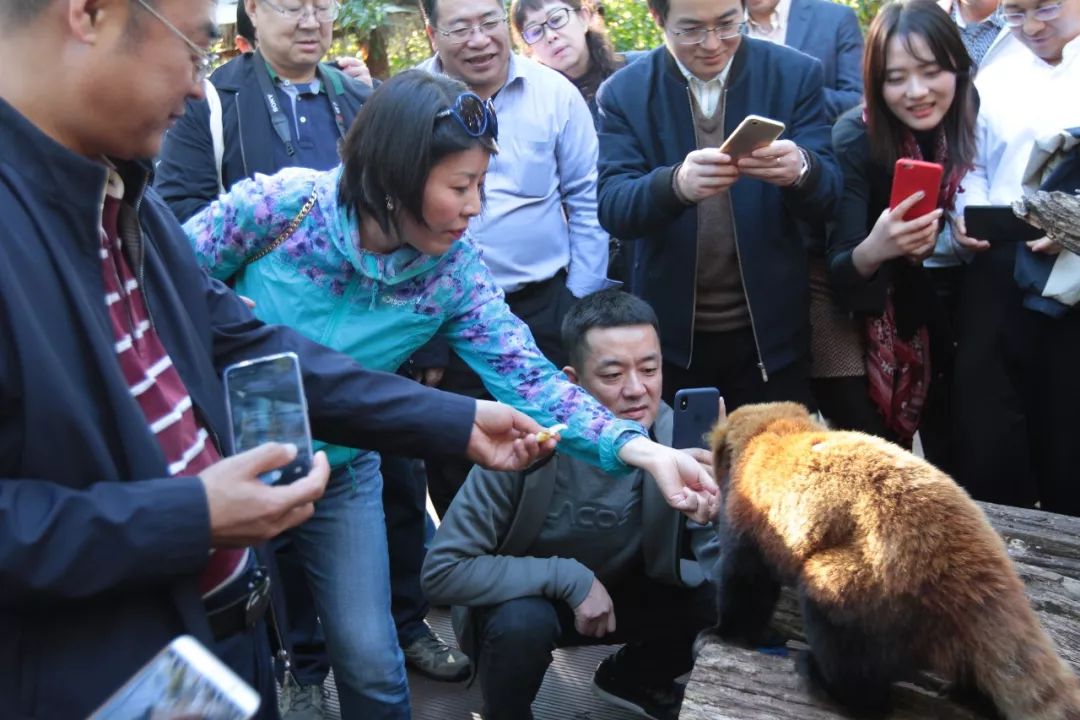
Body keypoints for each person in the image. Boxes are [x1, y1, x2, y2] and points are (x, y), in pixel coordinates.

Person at [0, 1, 562, 717]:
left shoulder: (123, 202)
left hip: (203, 655)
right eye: (196, 50)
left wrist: (454, 419)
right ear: (91, 15)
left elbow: (252, 344)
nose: (199, 90)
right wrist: (191, 515)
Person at [185, 69, 720, 719]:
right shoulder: (280, 209)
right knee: (211, 654)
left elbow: (531, 379)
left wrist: (645, 452)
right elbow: (159, 290)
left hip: (343, 470)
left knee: (373, 663)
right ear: (395, 174)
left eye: (481, 187)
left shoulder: (452, 272)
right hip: (208, 463)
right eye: (460, 187)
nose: (475, 207)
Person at [422, 289, 717, 720]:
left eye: (650, 370)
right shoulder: (526, 444)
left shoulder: (677, 440)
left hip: (627, 593)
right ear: (572, 383)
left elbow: (715, 563)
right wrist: (568, 578)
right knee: (520, 623)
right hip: (530, 603)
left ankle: (632, 679)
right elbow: (441, 572)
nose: (637, 391)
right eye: (613, 374)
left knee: (717, 598)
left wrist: (722, 506)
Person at [416, 0, 615, 515]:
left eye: (489, 23)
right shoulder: (407, 101)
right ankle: (473, 583)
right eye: (461, 27)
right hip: (443, 321)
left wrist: (577, 306)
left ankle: (559, 580)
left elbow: (587, 200)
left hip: (543, 308)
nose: (480, 39)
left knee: (554, 451)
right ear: (431, 31)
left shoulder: (553, 93)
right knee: (456, 458)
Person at [595, 0, 842, 414]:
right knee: (686, 467)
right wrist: (674, 185)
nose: (712, 43)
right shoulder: (626, 92)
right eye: (691, 29)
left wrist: (801, 169)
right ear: (659, 19)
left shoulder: (793, 73)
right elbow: (613, 205)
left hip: (771, 334)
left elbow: (831, 195)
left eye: (728, 24)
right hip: (672, 341)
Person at [824, 0, 977, 459]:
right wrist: (880, 244)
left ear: (957, 68)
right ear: (875, 82)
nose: (917, 91)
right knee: (883, 459)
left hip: (943, 302)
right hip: (857, 320)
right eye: (896, 78)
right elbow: (840, 266)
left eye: (931, 71)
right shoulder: (856, 136)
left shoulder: (967, 117)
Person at [950, 0, 1080, 514]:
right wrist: (969, 213)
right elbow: (972, 162)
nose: (1031, 27)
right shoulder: (994, 76)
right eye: (1016, 12)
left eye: (1045, 9)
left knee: (1067, 419)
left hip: (1074, 274)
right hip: (1000, 259)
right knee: (993, 420)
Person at [155, 0, 372, 224]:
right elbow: (176, 216)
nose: (311, 23)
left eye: (322, 8)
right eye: (293, 8)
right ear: (253, 9)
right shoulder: (209, 101)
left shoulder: (364, 99)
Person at [510, 0, 643, 123]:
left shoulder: (640, 72)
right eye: (535, 32)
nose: (550, 36)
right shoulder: (535, 109)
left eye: (556, 20)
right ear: (528, 47)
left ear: (583, 17)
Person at [745, 0, 864, 123]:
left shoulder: (835, 17)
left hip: (816, 138)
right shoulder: (728, 28)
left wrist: (793, 96)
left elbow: (857, 99)